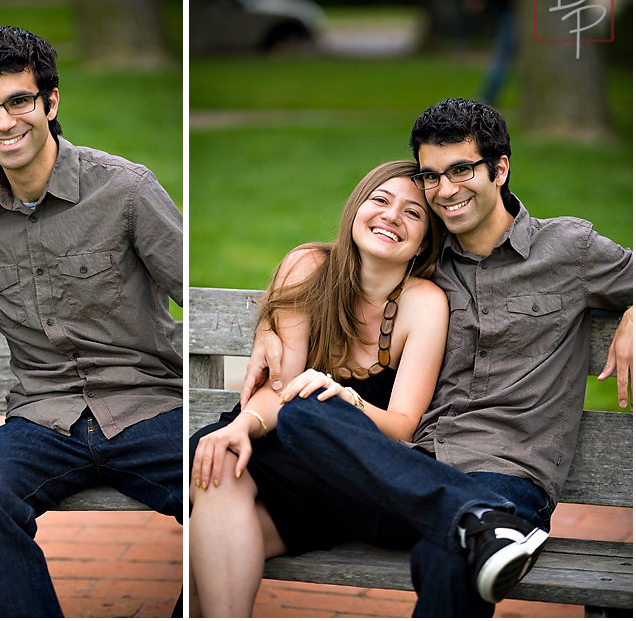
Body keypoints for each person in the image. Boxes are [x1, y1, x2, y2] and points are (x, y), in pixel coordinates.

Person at [241, 98, 633, 616]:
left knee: (447, 554)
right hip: (410, 469)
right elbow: (326, 270)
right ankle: (477, 522)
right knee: (303, 411)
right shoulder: (420, 261)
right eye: (431, 176)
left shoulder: (568, 249)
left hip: (507, 475)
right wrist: (272, 320)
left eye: (461, 170)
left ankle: (478, 523)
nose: (445, 191)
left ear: (500, 168)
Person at [0, 26, 183, 617]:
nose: (3, 122)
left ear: (51, 103)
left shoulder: (125, 190)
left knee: (229, 490)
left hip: (146, 407)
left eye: (20, 101)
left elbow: (199, 300)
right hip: (42, 418)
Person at [189, 160, 449, 617]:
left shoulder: (424, 303)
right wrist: (244, 425)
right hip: (278, 458)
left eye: (413, 214)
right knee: (218, 461)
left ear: (424, 242)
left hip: (350, 478)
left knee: (208, 550)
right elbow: (281, 387)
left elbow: (404, 427)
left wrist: (346, 398)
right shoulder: (310, 265)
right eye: (381, 200)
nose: (391, 216)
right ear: (355, 210)